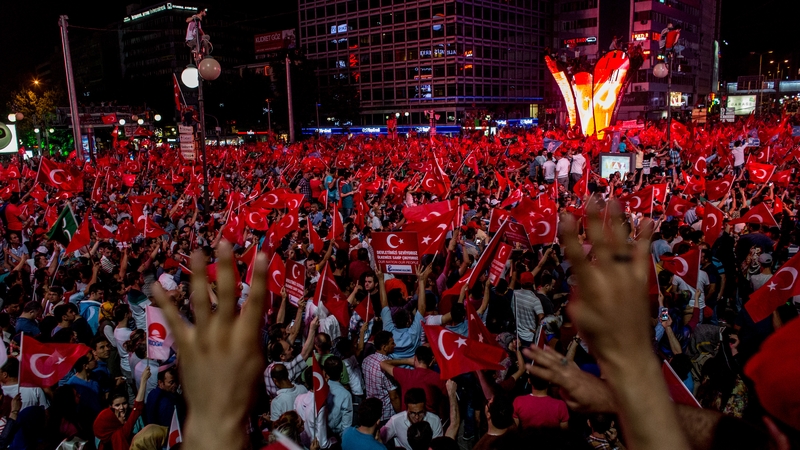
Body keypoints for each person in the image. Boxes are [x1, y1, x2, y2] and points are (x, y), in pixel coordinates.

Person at [93, 366, 151, 450]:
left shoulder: (105, 439)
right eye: (118, 415)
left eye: (124, 403)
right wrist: (143, 380)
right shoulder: (119, 434)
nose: (122, 411)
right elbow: (137, 408)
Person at [362, 331, 400, 422]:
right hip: (386, 413)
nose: (395, 345)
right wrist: (401, 414)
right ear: (384, 347)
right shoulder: (387, 367)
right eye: (392, 343)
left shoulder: (367, 360)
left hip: (371, 411)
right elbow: (393, 396)